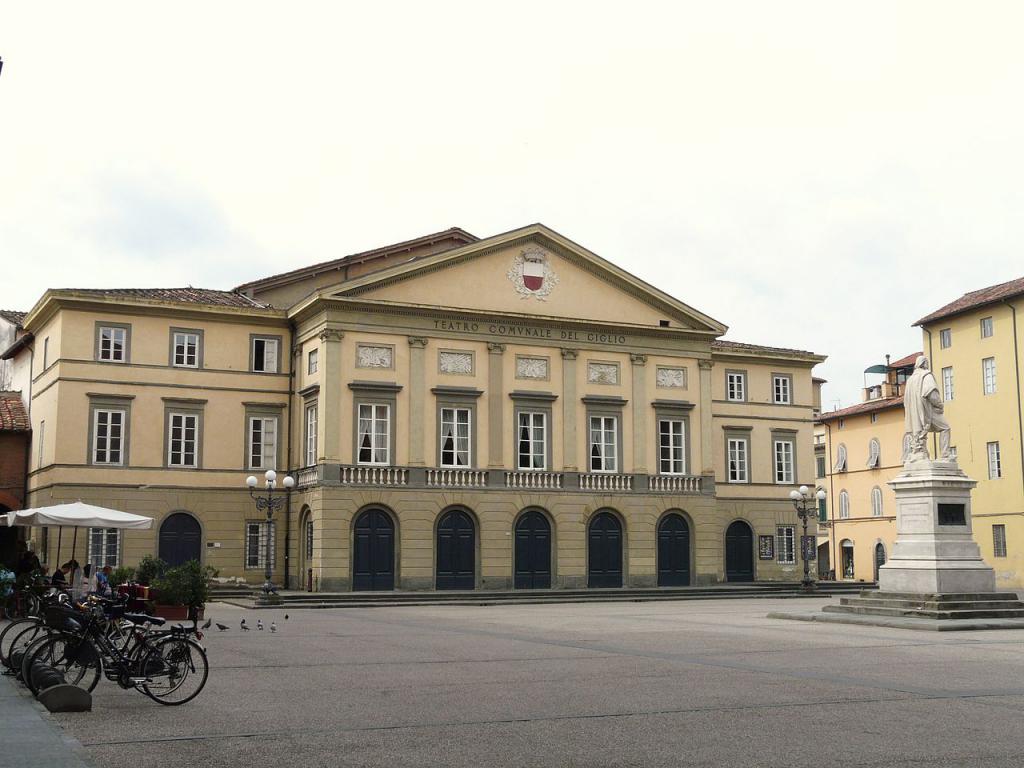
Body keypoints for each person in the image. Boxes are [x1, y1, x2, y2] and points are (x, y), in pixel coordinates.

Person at [904, 355, 953, 462]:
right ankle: (945, 455)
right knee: (945, 428)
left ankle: (919, 452)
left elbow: (906, 400)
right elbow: (932, 394)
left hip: (914, 414)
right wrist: (940, 405)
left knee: (919, 433)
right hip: (927, 410)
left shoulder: (910, 380)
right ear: (924, 363)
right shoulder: (926, 375)